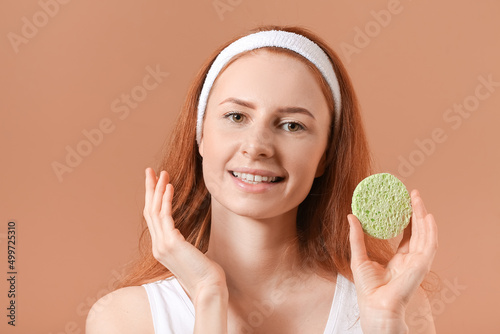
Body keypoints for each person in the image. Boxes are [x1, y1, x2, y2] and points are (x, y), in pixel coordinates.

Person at [86, 25, 438, 334]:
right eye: (236, 116)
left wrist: (385, 325)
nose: (256, 147)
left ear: (325, 155)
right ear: (200, 137)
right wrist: (209, 295)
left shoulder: (396, 304)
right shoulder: (124, 319)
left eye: (292, 125)